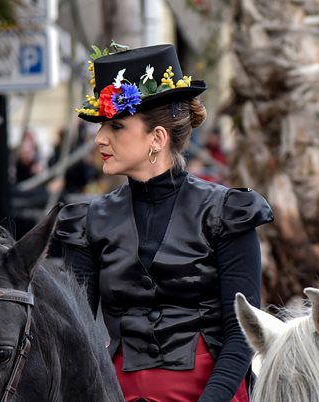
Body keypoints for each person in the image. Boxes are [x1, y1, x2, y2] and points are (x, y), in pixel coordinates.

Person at [49, 43, 272, 402]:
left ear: (157, 138)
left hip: (211, 393)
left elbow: (242, 332)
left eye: (116, 125)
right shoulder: (87, 221)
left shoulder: (227, 212)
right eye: (102, 126)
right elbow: (72, 330)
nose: (100, 138)